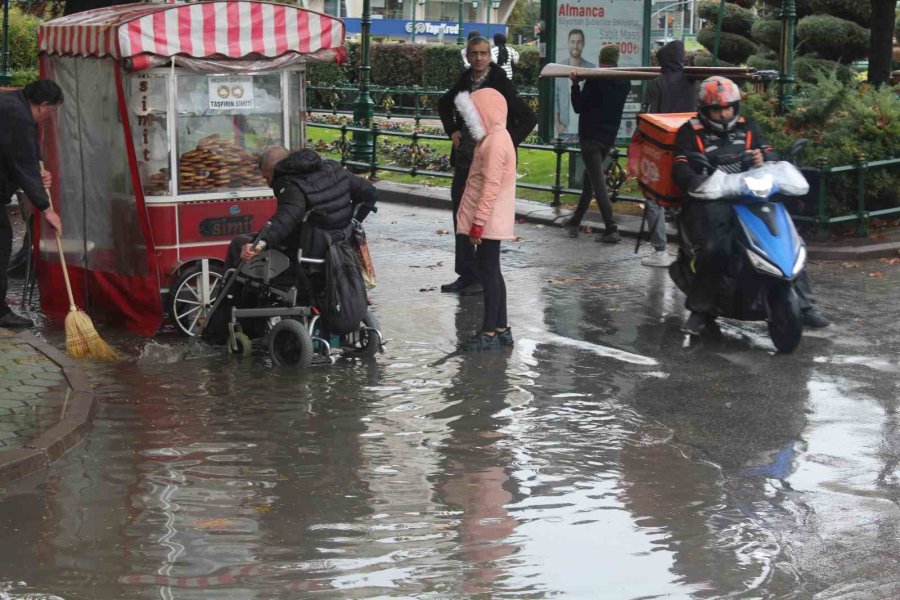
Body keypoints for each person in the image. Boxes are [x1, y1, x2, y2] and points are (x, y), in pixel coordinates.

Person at [672, 76, 830, 334]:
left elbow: (769, 153)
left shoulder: (748, 126)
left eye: (728, 107)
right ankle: (701, 308)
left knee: (788, 239)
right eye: (717, 109)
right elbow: (680, 166)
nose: (724, 114)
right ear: (704, 110)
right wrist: (696, 179)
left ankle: (804, 305)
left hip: (750, 195)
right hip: (710, 199)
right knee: (716, 248)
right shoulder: (690, 131)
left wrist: (764, 156)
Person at [438, 36, 537, 296]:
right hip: (465, 160)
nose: (479, 58)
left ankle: (483, 275)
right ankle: (466, 273)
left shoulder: (500, 82)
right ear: (468, 56)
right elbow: (444, 103)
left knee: (483, 220)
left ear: (489, 56)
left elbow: (528, 117)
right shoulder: (465, 79)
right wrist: (453, 131)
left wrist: (505, 142)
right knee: (461, 216)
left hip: (488, 162)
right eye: (474, 53)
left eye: (483, 53)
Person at [227, 146, 377, 269]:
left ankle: (231, 300)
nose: (268, 183)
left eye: (267, 178)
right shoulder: (333, 167)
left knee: (239, 242)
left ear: (278, 169)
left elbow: (287, 217)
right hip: (341, 243)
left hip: (308, 251)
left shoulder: (290, 184)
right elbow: (370, 193)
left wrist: (260, 243)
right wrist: (353, 222)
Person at [454, 88, 517, 351]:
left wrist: (478, 222)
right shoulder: (497, 137)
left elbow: (490, 186)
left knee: (489, 273)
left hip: (489, 220)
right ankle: (501, 329)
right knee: (493, 272)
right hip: (494, 218)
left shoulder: (493, 143)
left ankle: (490, 332)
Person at [0, 79, 64, 328]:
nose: (49, 117)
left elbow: (28, 153)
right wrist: (47, 209)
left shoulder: (13, 103)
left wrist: (39, 173)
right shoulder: (17, 115)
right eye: (52, 111)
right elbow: (23, 162)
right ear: (43, 105)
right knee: (2, 245)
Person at [563, 45, 630, 243]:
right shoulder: (624, 81)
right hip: (608, 137)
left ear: (601, 60)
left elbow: (578, 107)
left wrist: (576, 85)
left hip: (590, 137)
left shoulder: (595, 80)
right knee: (589, 179)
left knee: (597, 182)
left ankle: (611, 227)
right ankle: (575, 221)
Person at [640, 40, 697, 268]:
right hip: (689, 148)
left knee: (653, 198)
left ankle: (660, 250)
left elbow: (648, 118)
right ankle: (688, 250)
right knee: (686, 200)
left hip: (662, 148)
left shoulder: (657, 84)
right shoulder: (694, 83)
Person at [554, 29, 594, 140]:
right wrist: (557, 123)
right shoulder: (560, 68)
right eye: (572, 42)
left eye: (579, 42)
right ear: (568, 43)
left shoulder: (591, 68)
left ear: (584, 44)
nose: (575, 45)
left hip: (586, 128)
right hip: (565, 127)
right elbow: (555, 97)